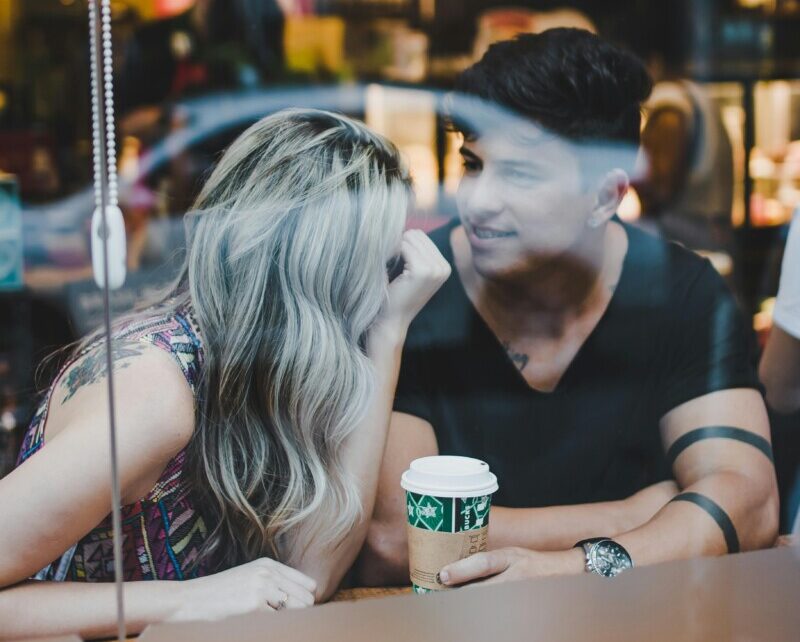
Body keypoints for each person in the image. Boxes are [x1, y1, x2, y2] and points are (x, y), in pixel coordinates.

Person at [0, 108, 451, 638]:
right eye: (385, 264)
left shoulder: (258, 371)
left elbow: (307, 577)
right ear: (331, 276)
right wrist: (184, 601)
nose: (382, 287)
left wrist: (390, 331)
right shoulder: (154, 393)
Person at [357, 30, 778, 588]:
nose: (477, 200)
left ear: (605, 196)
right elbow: (397, 538)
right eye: (473, 164)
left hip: (640, 620)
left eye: (520, 175)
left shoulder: (682, 293)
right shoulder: (413, 288)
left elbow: (749, 501)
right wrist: (639, 518)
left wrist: (579, 564)